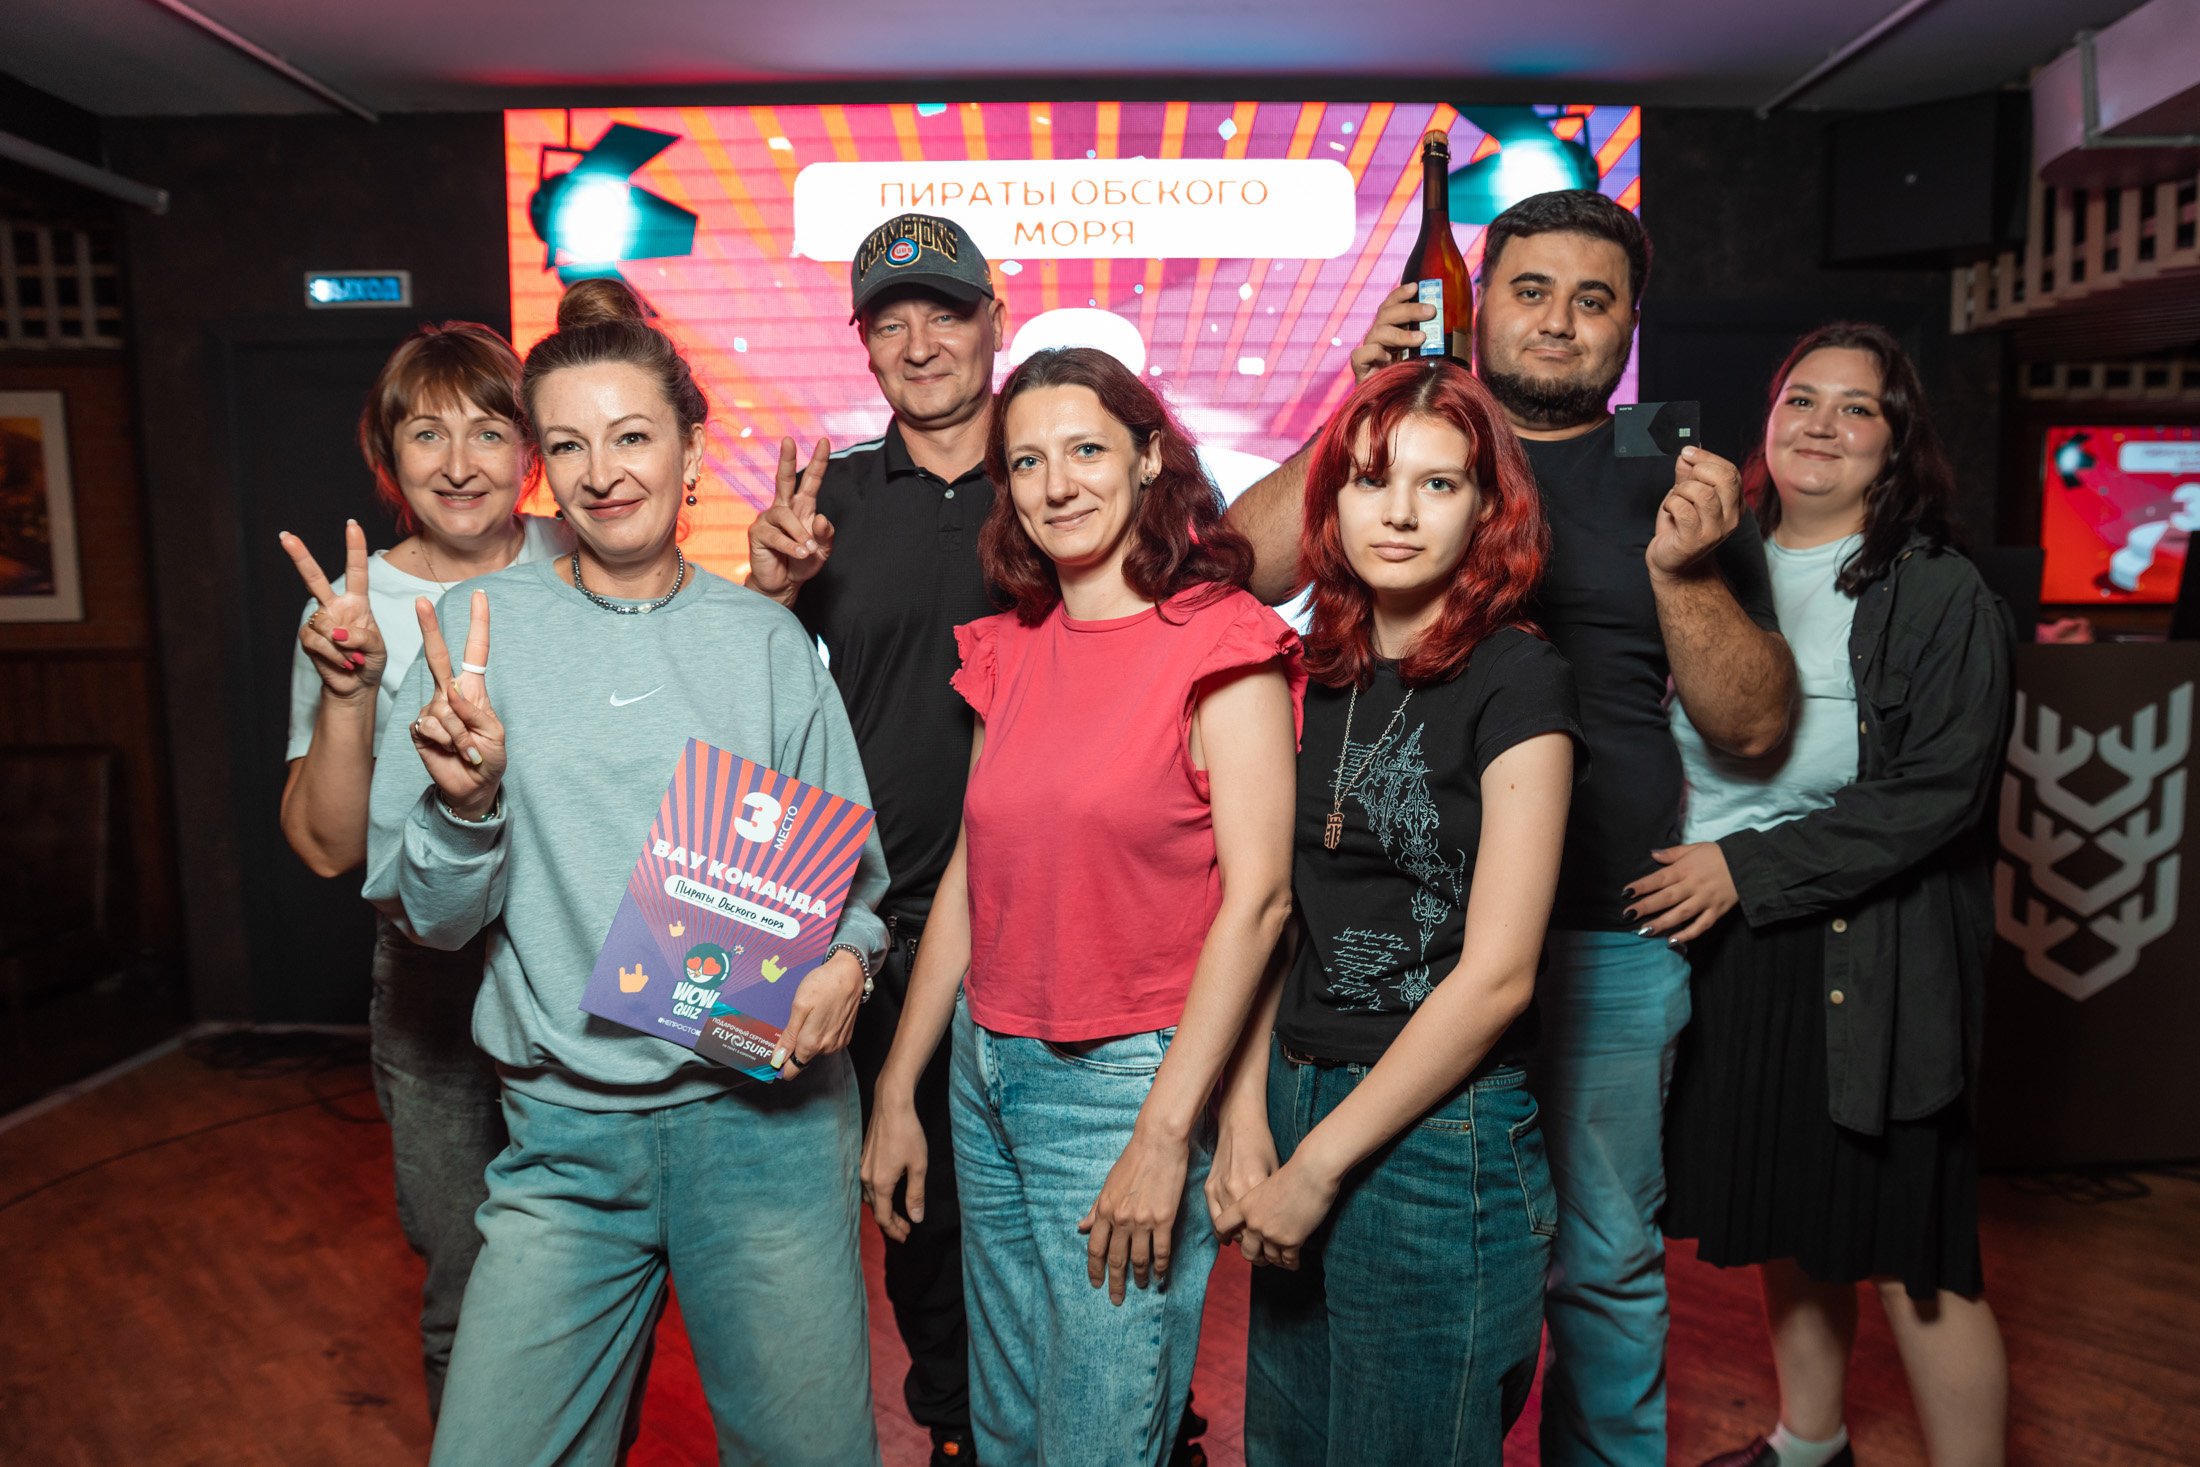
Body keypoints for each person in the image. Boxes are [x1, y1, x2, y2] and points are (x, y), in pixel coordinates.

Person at [1225, 188, 1797, 1467]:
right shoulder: (1418, 441)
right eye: (1530, 290)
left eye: (1594, 300)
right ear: (1479, 303)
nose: (1558, 321)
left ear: (1630, 324)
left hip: (1601, 930)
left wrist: (1681, 570)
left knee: (1600, 1260)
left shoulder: (1672, 472)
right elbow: (1239, 574)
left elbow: (1754, 722)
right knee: (1398, 1257)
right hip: (1395, 941)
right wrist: (1359, 401)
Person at [364, 277, 889, 1466]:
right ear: (542, 467)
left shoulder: (764, 643)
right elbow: (430, 923)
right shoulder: (473, 638)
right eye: (568, 445)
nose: (603, 472)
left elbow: (857, 893)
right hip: (564, 1142)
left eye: (633, 436)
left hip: (760, 1134)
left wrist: (847, 965)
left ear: (690, 449)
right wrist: (464, 804)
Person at [860, 346, 1303, 1467]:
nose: (1057, 485)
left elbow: (1261, 904)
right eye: (1027, 461)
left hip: (1124, 1085)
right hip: (985, 1068)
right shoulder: (1006, 649)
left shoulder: (1223, 641)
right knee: (1007, 1430)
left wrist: (1167, 1133)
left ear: (1149, 456)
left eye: (1087, 450)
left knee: (1100, 1438)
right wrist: (902, 1085)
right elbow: (973, 872)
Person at [1647, 323, 2014, 1467]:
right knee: (1791, 1215)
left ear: (1896, 443)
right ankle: (1810, 1445)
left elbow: (1939, 795)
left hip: (1871, 955)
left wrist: (1743, 868)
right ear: (1766, 423)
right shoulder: (1719, 560)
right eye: (1801, 399)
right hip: (1729, 944)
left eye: (1858, 409)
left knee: (1911, 1249)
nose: (1822, 425)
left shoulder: (1939, 592)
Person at [1208, 359, 1583, 1464]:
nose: (1401, 513)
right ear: (1332, 501)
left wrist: (1317, 1166)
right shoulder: (1308, 672)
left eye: (1438, 483)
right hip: (1293, 1093)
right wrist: (1245, 1119)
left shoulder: (1518, 679)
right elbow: (1280, 914)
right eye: (1372, 481)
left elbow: (1499, 974)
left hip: (1436, 1135)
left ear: (1486, 508)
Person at [275, 319, 570, 1418]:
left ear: (530, 450)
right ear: (387, 456)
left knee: (594, 1286)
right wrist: (350, 689)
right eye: (427, 434)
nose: (458, 463)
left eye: (488, 431)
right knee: (466, 1292)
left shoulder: (586, 557)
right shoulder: (350, 611)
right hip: (434, 984)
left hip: (583, 965)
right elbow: (326, 846)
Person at [745, 213, 1003, 1465]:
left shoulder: (1063, 469)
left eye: (942, 313)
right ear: (863, 348)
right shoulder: (832, 500)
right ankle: (955, 1427)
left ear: (994, 322)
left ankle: (1129, 1423)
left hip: (1047, 904)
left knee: (1070, 1193)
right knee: (920, 1203)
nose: (919, 343)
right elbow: (745, 699)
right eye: (889, 323)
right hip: (886, 919)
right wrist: (769, 592)